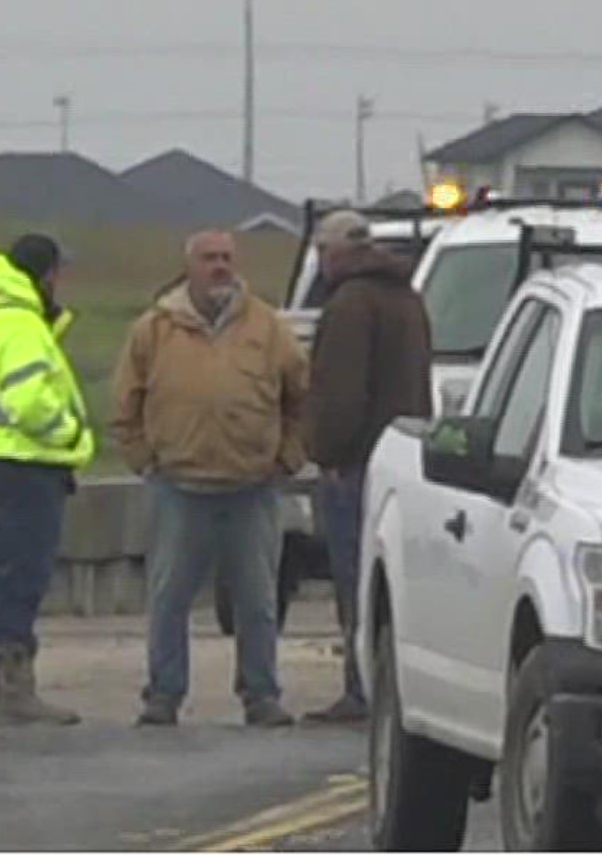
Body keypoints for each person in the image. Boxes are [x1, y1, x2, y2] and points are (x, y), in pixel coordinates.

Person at [110, 229, 309, 728]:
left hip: (252, 487)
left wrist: (287, 458)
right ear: (190, 266)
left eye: (226, 258)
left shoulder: (267, 326)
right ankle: (164, 695)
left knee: (258, 602)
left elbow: (302, 399)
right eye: (208, 258)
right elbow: (124, 404)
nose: (219, 267)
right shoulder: (154, 329)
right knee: (169, 599)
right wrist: (144, 460)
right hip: (178, 487)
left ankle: (261, 695)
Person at [0, 233, 96, 727]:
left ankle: (1, 684)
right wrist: (70, 431)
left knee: (6, 573)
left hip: (5, 463)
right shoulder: (18, 322)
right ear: (47, 273)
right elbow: (30, 402)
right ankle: (13, 688)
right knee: (22, 574)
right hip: (28, 463)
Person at [302, 210, 433, 724]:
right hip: (403, 458)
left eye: (320, 252)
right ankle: (386, 685)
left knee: (354, 580)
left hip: (358, 464)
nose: (319, 262)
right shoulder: (407, 298)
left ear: (335, 252)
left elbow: (341, 393)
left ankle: (360, 690)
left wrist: (327, 452)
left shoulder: (352, 305)